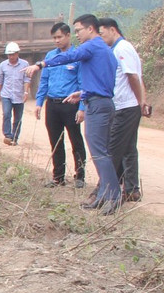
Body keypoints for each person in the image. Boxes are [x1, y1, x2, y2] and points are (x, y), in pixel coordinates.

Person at [25, 14, 122, 214]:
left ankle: (113, 196)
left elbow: (69, 56)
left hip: (98, 106)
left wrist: (42, 64)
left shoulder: (93, 45)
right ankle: (104, 194)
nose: (77, 34)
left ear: (90, 29)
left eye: (78, 30)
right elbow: (103, 80)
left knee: (99, 153)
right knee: (100, 151)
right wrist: (84, 93)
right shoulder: (103, 50)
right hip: (98, 101)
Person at [98, 17, 150, 203]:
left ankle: (105, 190)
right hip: (125, 105)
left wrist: (140, 101)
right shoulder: (117, 49)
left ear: (113, 30)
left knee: (113, 148)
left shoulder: (122, 48)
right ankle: (131, 189)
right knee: (128, 148)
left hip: (126, 107)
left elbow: (133, 77)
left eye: (102, 34)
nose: (101, 38)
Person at [34, 23, 86, 188]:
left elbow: (82, 83)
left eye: (59, 37)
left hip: (70, 104)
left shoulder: (77, 55)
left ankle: (80, 176)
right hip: (53, 104)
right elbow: (44, 81)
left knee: (76, 140)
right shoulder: (51, 56)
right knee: (56, 141)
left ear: (68, 35)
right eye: (54, 38)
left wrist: (82, 108)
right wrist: (39, 103)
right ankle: (58, 177)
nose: (57, 40)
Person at [0, 41, 30, 146]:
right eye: (9, 55)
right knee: (6, 114)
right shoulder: (3, 65)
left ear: (17, 53)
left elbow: (27, 79)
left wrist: (26, 92)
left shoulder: (24, 64)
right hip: (6, 95)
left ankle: (15, 137)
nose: (11, 57)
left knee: (18, 118)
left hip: (19, 95)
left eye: (13, 54)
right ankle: (8, 135)